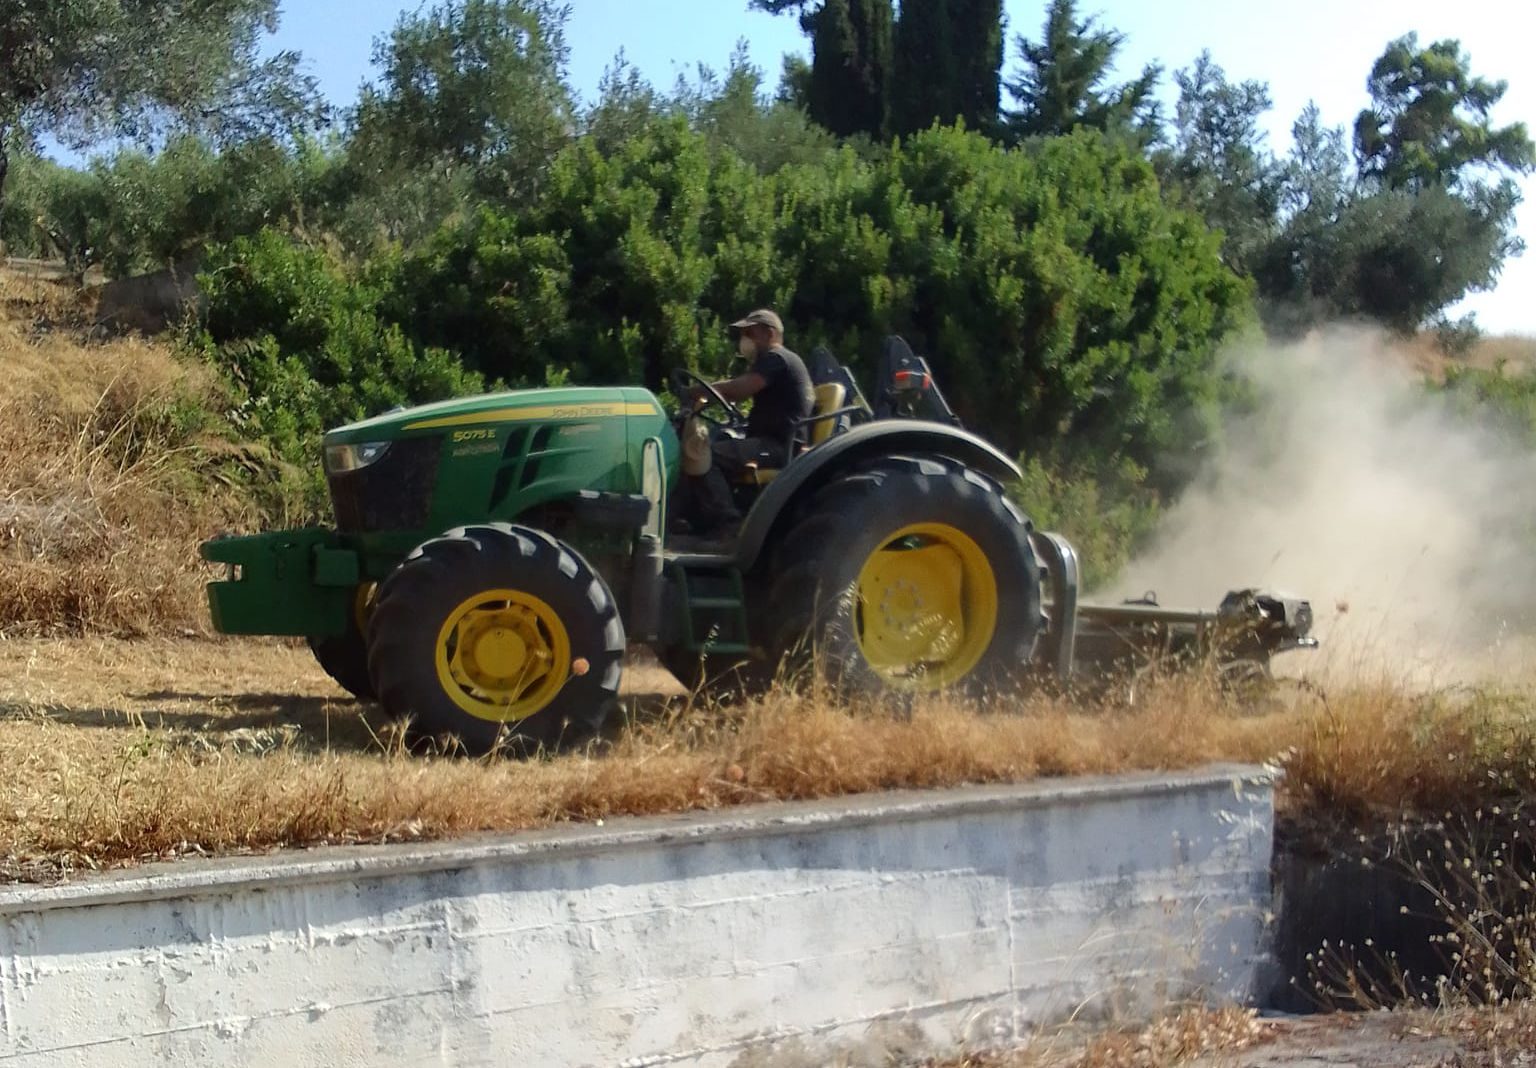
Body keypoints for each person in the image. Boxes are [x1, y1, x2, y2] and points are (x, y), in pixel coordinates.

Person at [675, 308, 814, 536]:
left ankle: (728, 525)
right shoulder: (776, 362)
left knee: (708, 455)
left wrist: (694, 392)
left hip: (779, 446)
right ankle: (690, 521)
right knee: (709, 445)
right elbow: (734, 391)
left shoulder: (777, 358)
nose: (745, 341)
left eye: (750, 333)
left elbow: (741, 389)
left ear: (770, 334)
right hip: (769, 442)